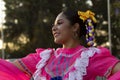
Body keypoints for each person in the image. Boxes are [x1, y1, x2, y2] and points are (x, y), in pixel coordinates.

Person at [0, 9, 120, 80]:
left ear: (75, 27)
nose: (54, 28)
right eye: (53, 25)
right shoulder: (43, 58)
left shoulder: (90, 57)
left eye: (59, 23)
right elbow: (6, 68)